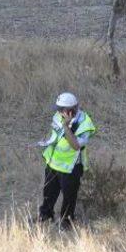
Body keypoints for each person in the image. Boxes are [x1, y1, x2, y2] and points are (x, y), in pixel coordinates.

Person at [38, 92, 96, 230]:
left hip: (71, 167)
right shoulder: (59, 115)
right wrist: (45, 141)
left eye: (61, 109)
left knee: (69, 197)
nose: (58, 112)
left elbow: (76, 145)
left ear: (71, 110)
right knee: (48, 193)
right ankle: (45, 216)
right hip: (53, 163)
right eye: (58, 109)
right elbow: (53, 132)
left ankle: (66, 222)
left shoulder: (84, 123)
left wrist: (66, 127)